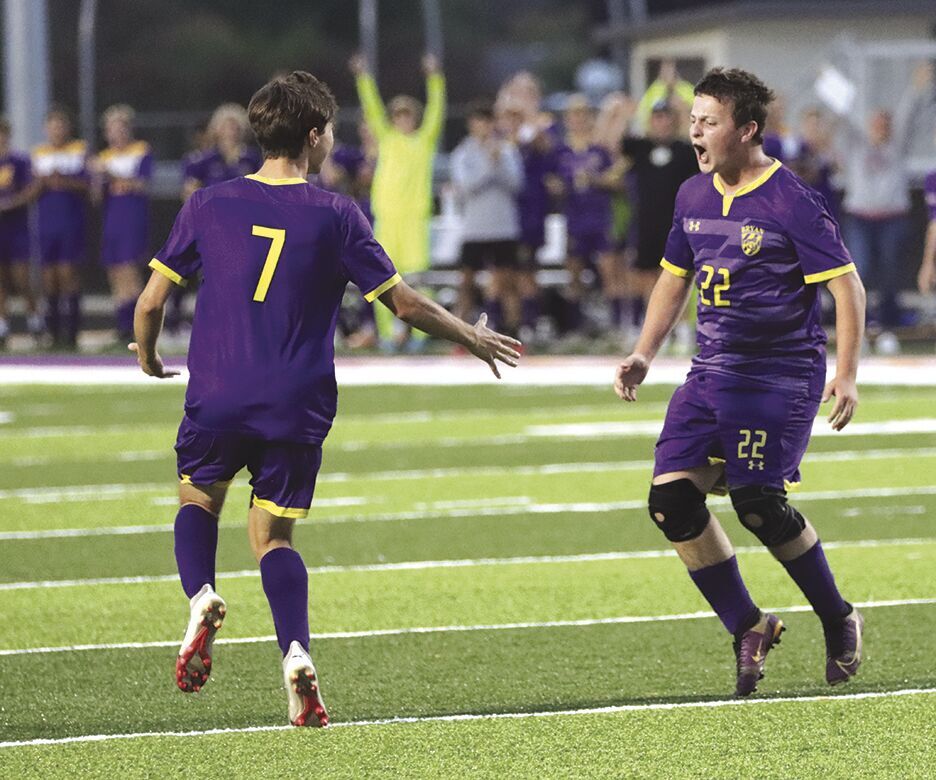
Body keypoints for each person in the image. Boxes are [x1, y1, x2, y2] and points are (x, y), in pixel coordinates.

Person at [130, 70, 520, 727]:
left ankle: (200, 597)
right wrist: (470, 335)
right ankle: (296, 657)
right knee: (273, 535)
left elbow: (149, 304)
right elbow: (405, 303)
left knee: (198, 496)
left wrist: (149, 359)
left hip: (220, 389)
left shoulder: (208, 204)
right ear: (313, 137)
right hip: (297, 399)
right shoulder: (337, 213)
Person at [614, 67, 867, 696]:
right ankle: (749, 624)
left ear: (747, 130)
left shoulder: (790, 199)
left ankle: (840, 618)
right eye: (694, 120)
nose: (696, 133)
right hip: (710, 372)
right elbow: (675, 277)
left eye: (709, 122)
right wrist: (645, 353)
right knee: (670, 502)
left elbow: (847, 285)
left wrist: (847, 374)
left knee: (757, 506)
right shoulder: (692, 195)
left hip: (777, 375)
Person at [351, 52, 445, 349]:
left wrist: (435, 78)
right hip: (388, 218)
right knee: (382, 278)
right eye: (398, 115)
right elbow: (372, 108)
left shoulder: (424, 141)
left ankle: (420, 334)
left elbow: (437, 111)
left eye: (408, 115)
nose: (403, 120)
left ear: (414, 118)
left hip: (415, 219)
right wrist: (362, 78)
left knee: (418, 279)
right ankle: (389, 335)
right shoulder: (387, 139)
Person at [839, 63, 934, 346]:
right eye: (877, 122)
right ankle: (862, 321)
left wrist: (916, 89)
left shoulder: (897, 146)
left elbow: (908, 114)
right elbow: (843, 118)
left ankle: (890, 321)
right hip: (860, 217)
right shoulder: (857, 147)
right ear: (869, 126)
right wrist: (834, 82)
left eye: (886, 123)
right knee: (860, 269)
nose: (882, 127)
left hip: (893, 216)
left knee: (892, 269)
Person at [620, 99, 697, 331]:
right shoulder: (640, 147)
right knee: (645, 279)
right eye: (657, 118)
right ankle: (650, 329)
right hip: (646, 224)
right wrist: (626, 114)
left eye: (667, 118)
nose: (662, 123)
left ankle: (681, 331)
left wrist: (684, 109)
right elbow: (612, 142)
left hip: (676, 225)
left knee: (677, 280)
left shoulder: (685, 150)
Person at [450, 101, 524, 334]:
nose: (483, 126)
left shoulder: (507, 151)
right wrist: (489, 165)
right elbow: (466, 186)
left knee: (508, 282)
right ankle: (459, 332)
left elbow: (516, 183)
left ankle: (513, 331)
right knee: (467, 283)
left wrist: (498, 163)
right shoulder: (463, 153)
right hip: (474, 228)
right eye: (478, 122)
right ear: (472, 125)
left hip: (503, 227)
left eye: (487, 121)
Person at [93, 104, 153, 343]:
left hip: (132, 215)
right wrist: (97, 179)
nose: (116, 134)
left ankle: (138, 327)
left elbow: (141, 184)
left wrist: (110, 175)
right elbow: (97, 197)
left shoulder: (141, 151)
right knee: (115, 270)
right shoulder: (104, 157)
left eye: (120, 128)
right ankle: (121, 326)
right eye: (111, 129)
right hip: (112, 217)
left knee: (129, 270)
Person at [32, 107, 89, 349]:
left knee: (68, 275)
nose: (57, 130)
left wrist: (64, 181)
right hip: (46, 224)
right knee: (49, 278)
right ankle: (53, 334)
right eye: (53, 125)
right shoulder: (38, 154)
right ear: (46, 129)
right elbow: (31, 190)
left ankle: (72, 334)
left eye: (61, 125)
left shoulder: (79, 151)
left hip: (70, 223)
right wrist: (42, 183)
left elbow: (88, 185)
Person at [0, 117, 42, 347]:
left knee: (22, 278)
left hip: (16, 227)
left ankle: (35, 321)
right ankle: (3, 327)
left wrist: (12, 203)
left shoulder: (19, 160)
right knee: (1, 280)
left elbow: (32, 188)